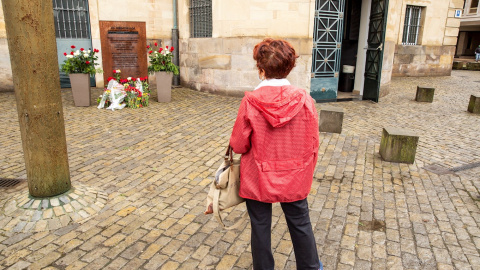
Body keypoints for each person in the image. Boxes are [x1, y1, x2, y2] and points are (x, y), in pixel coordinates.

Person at [229, 38, 322, 270]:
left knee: (260, 225)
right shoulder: (305, 100)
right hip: (295, 174)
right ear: (289, 67)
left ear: (261, 69)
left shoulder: (250, 102)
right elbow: (313, 145)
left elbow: (239, 145)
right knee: (300, 223)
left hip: (258, 175)